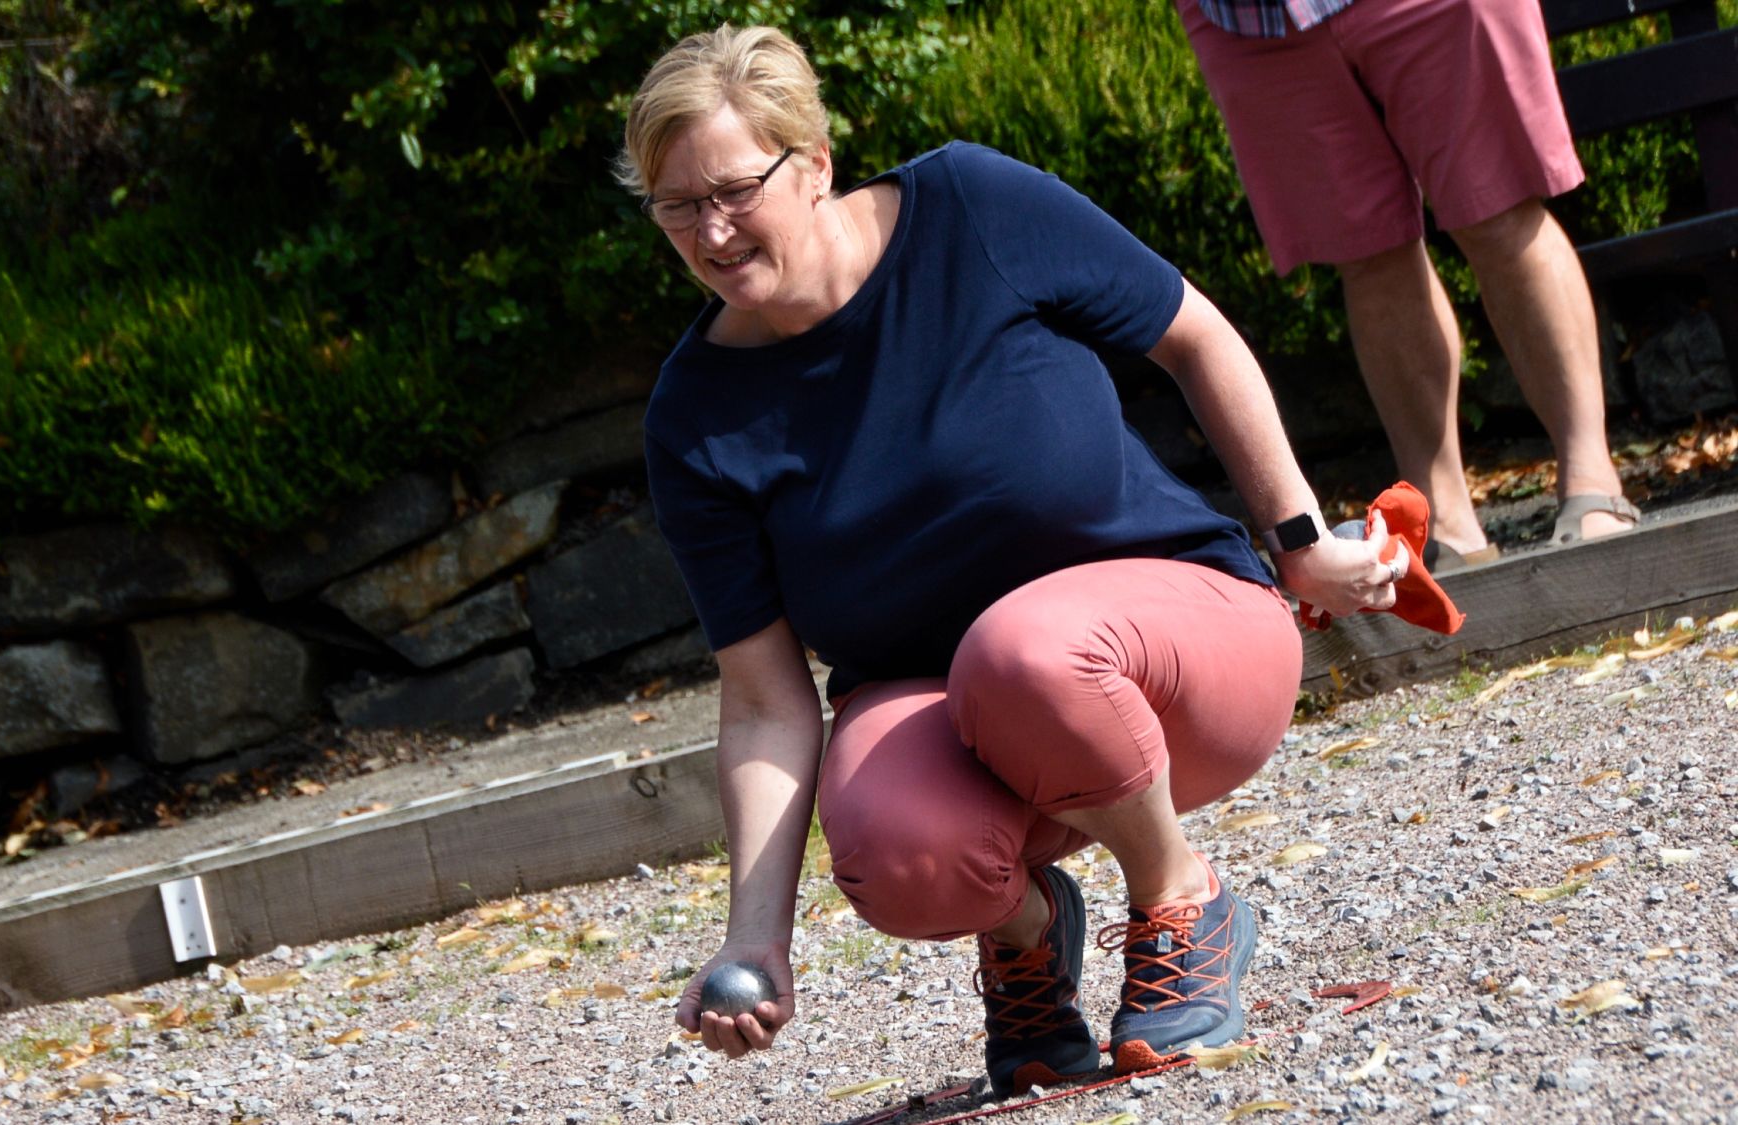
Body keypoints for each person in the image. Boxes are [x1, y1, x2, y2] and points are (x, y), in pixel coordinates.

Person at [616, 24, 1406, 1091]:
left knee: (1020, 650)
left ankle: (1180, 895)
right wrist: (756, 940)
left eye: (732, 190)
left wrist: (1300, 543)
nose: (709, 231)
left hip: (1176, 650)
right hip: (961, 707)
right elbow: (764, 702)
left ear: (811, 164)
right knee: (894, 852)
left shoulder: (969, 207)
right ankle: (1028, 932)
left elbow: (1196, 335)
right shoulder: (693, 419)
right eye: (675, 206)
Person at [1176, 0, 1641, 570]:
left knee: (1499, 211)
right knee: (1367, 256)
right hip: (1251, 22)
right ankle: (1442, 520)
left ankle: (1593, 478)